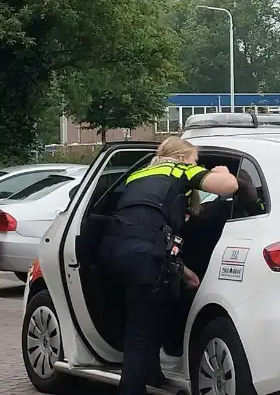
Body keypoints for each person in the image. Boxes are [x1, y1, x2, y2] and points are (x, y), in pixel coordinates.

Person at [98, 136, 239, 395]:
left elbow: (152, 229)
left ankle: (152, 372)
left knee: (149, 313)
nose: (196, 164)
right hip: (143, 254)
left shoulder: (141, 173)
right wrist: (222, 171)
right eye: (195, 159)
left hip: (116, 249)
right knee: (141, 329)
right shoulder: (179, 168)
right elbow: (228, 187)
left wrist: (182, 271)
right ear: (184, 157)